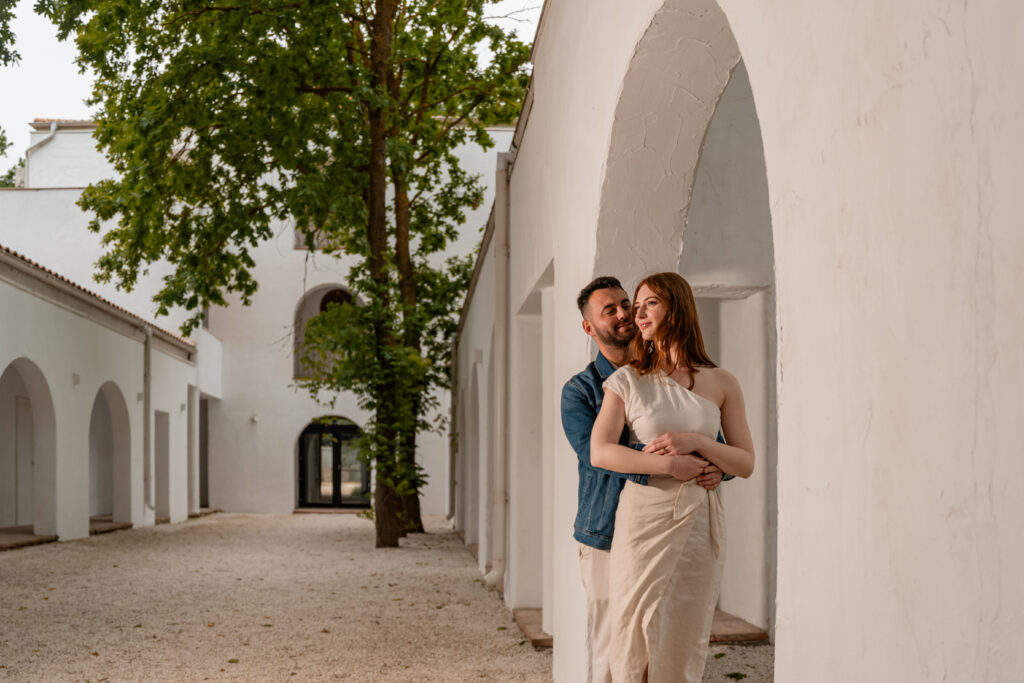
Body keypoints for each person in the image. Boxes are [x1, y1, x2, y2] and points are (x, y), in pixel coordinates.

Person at [560, 276, 726, 683]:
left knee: (669, 640)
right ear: (588, 327)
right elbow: (597, 457)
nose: (624, 315)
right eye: (610, 310)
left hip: (672, 524)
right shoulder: (581, 390)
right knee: (612, 651)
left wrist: (713, 465)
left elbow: (713, 443)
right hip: (606, 532)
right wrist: (671, 466)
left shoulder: (673, 378)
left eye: (626, 305)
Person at [591, 272, 755, 683]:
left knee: (683, 630)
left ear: (676, 308)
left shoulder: (722, 382)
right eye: (637, 304)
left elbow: (745, 462)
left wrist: (697, 441)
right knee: (634, 632)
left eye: (649, 303)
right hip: (643, 520)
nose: (637, 313)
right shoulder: (627, 379)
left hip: (697, 522)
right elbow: (601, 451)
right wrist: (669, 464)